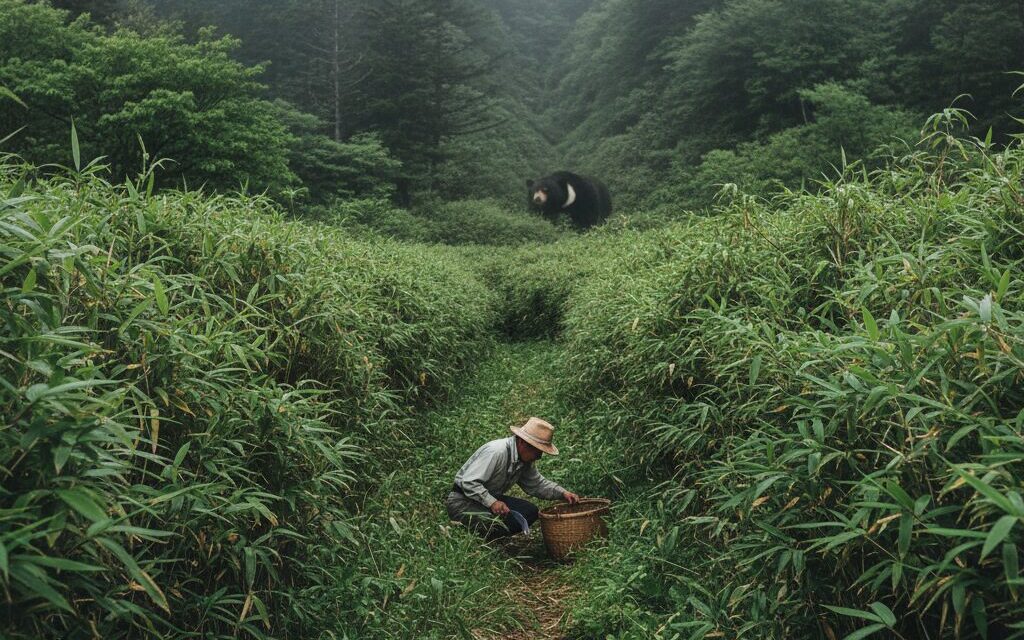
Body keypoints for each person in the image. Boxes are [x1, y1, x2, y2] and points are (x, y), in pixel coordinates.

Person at [446, 417, 580, 539]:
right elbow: (469, 482)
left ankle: (490, 535)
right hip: (463, 501)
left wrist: (563, 493)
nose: (539, 456)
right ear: (523, 442)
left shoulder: (524, 459)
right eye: (537, 450)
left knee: (530, 512)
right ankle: (479, 539)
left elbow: (536, 484)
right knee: (495, 523)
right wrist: (492, 502)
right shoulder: (496, 452)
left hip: (486, 499)